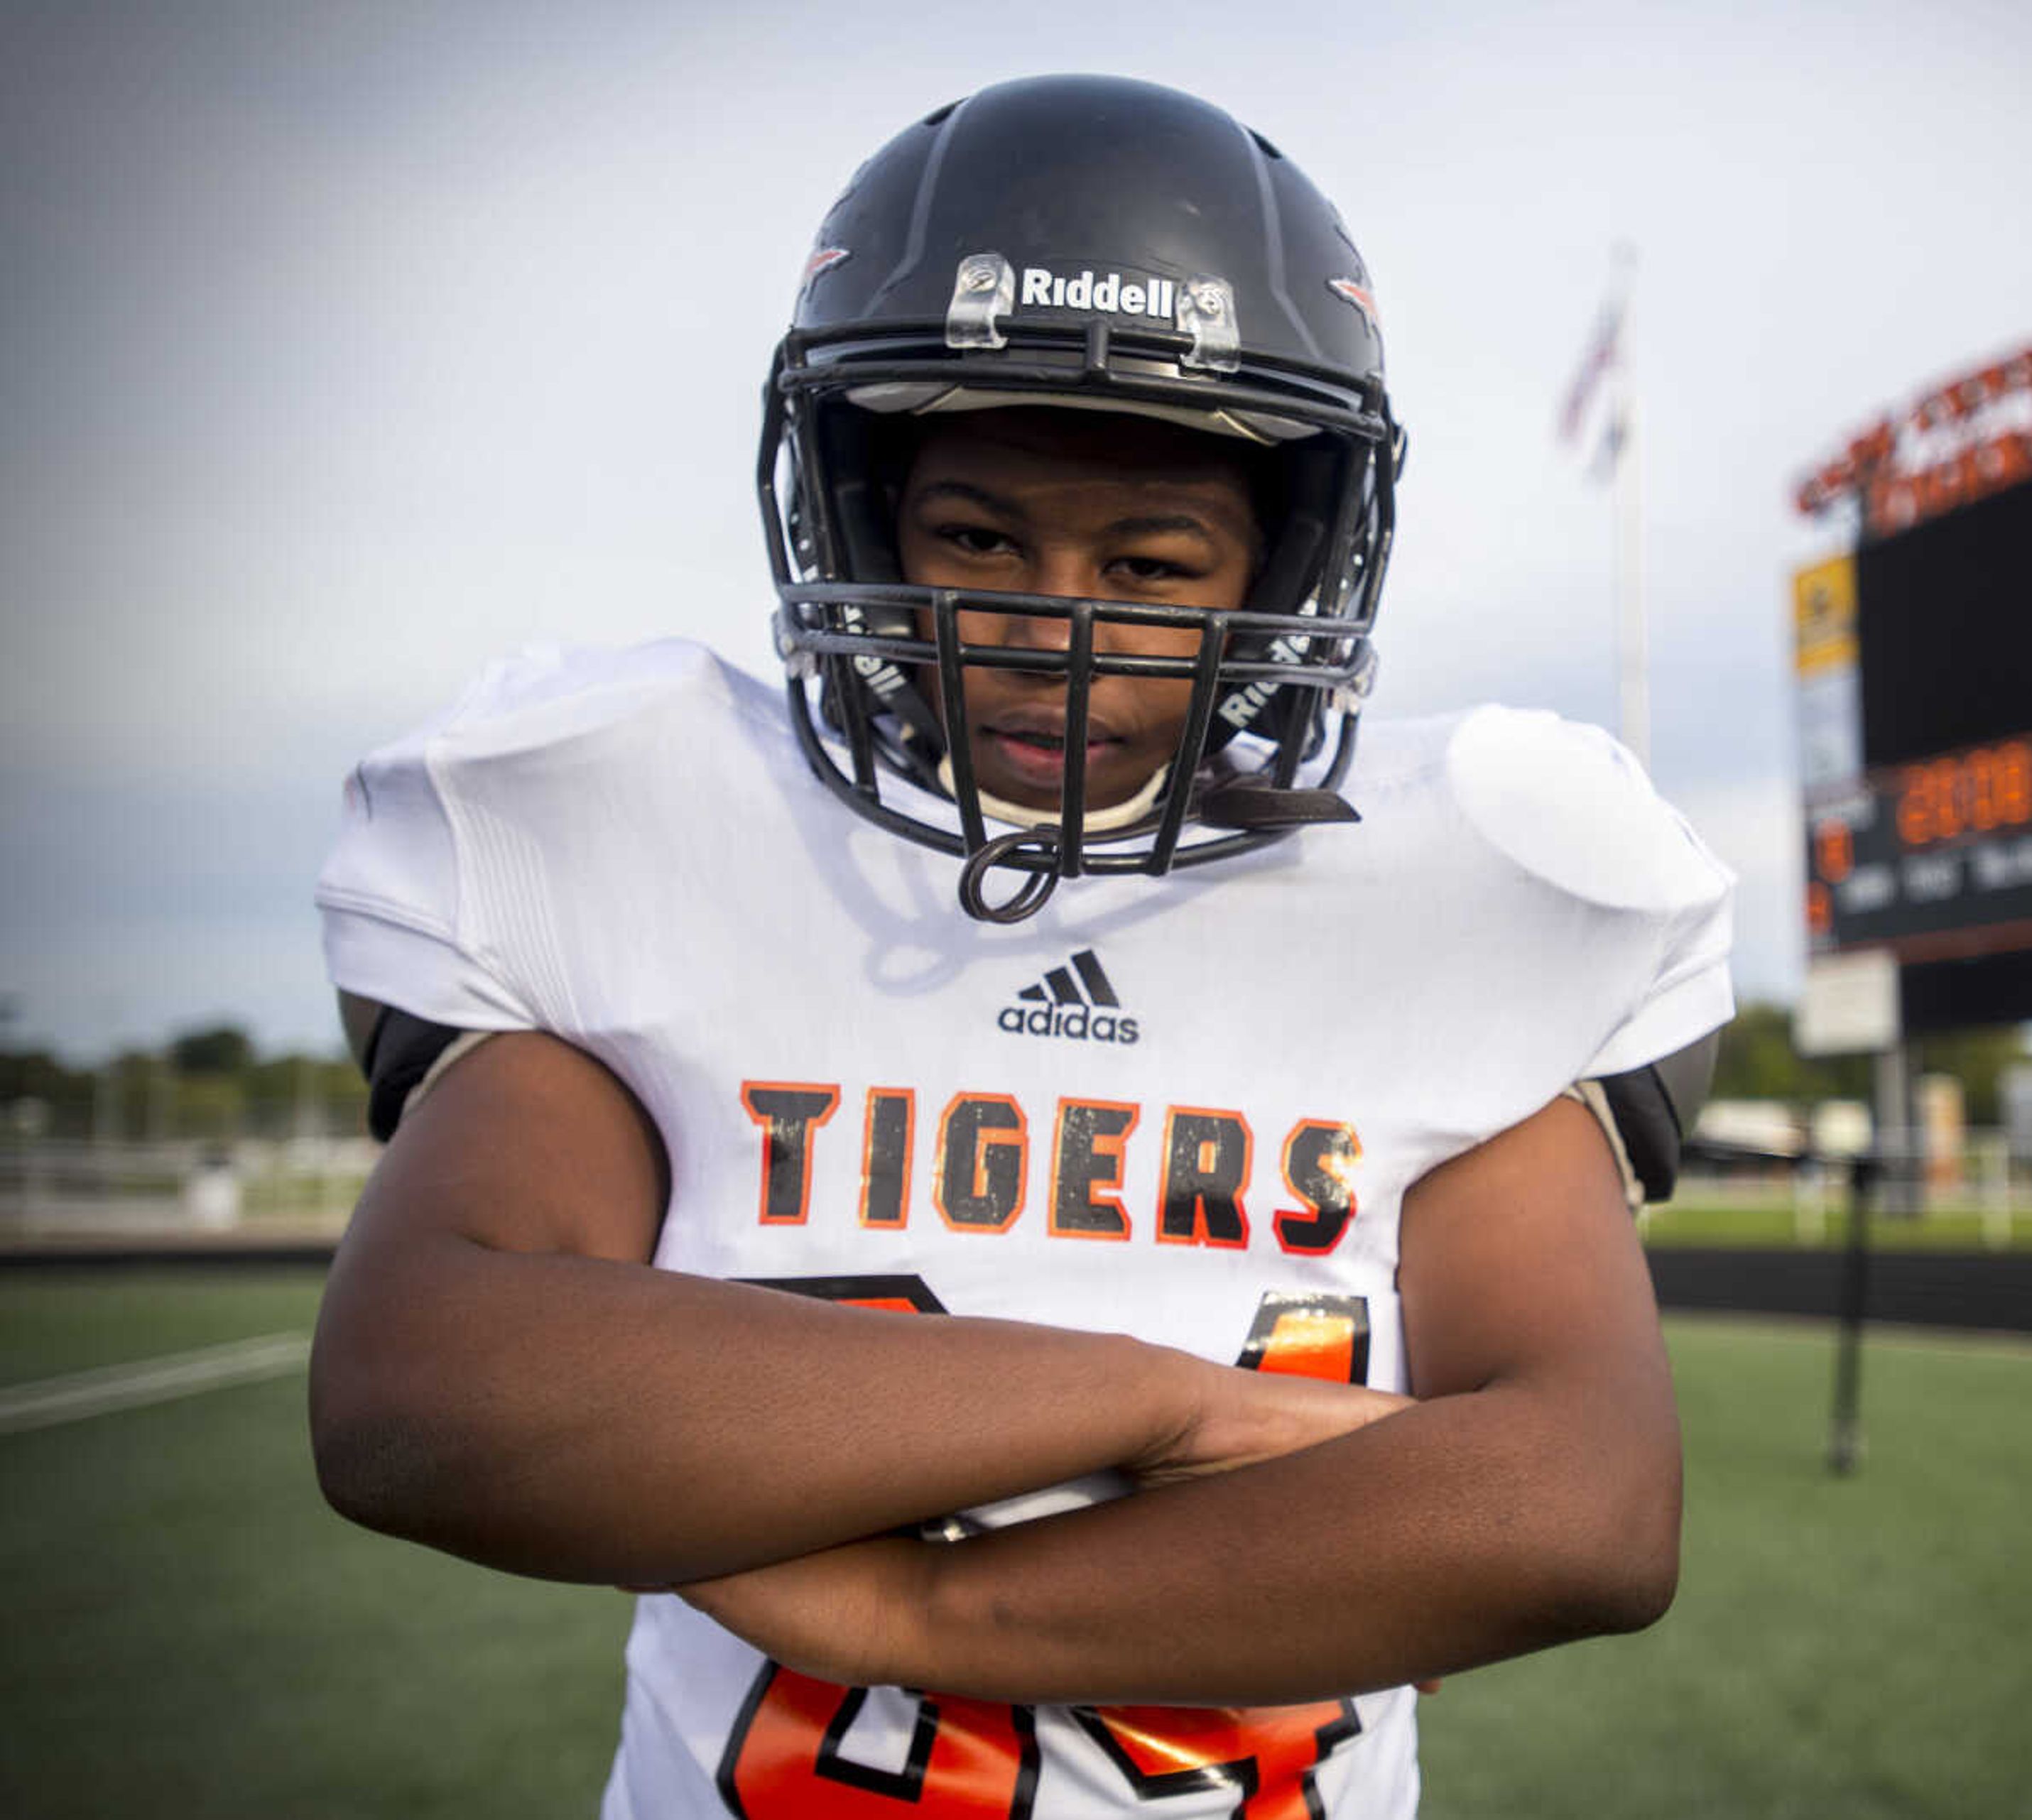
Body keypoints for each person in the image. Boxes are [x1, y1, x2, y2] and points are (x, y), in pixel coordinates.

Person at [309, 73, 1733, 1819]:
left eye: (1151, 564)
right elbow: (412, 1387)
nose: (1052, 626)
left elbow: (1584, 1510)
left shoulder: (1482, 881)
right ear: (857, 509)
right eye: (976, 535)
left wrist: (922, 1604)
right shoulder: (636, 817)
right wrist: (1162, 1408)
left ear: (1280, 569)